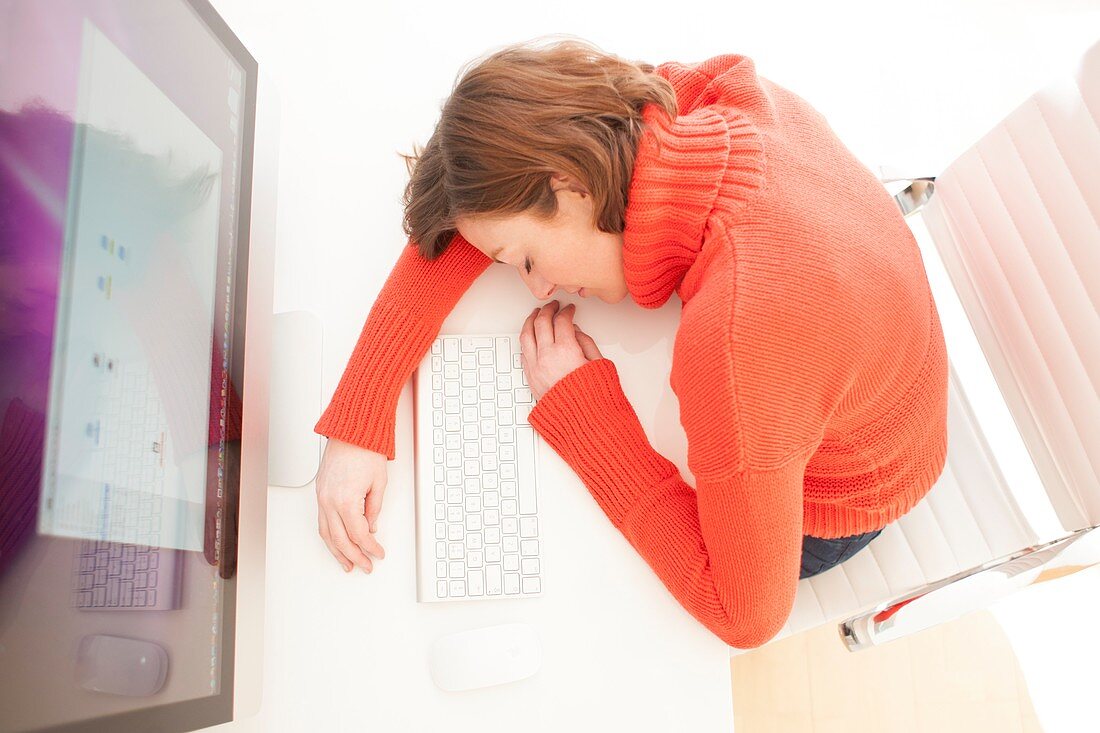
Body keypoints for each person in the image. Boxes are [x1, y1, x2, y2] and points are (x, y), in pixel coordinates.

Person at [312, 37, 949, 649]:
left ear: (569, 184)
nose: (536, 289)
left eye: (527, 258)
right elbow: (469, 219)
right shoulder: (690, 99)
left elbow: (746, 618)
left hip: (843, 493)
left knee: (587, 576)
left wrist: (590, 423)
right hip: (875, 368)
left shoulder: (740, 342)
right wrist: (361, 419)